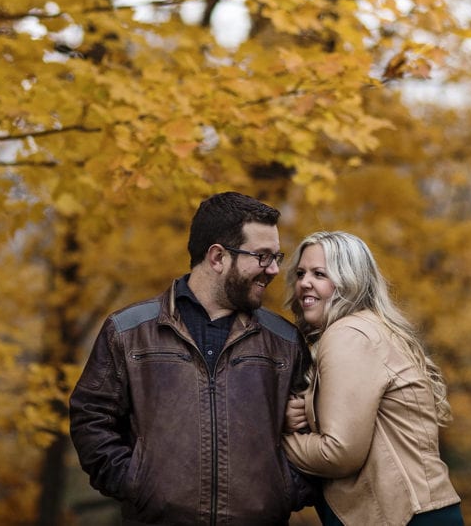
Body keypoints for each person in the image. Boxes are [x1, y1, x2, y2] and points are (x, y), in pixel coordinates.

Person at [69, 191, 316, 525]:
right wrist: (134, 483)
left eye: (276, 257)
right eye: (261, 256)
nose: (273, 269)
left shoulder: (284, 341)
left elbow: (317, 426)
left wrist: (287, 489)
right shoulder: (128, 331)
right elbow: (91, 416)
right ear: (217, 257)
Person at [282, 231, 463, 526]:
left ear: (350, 281)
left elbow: (338, 452)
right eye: (301, 273)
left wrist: (276, 438)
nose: (304, 283)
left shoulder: (349, 335)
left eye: (319, 274)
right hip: (419, 511)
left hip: (402, 516)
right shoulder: (370, 330)